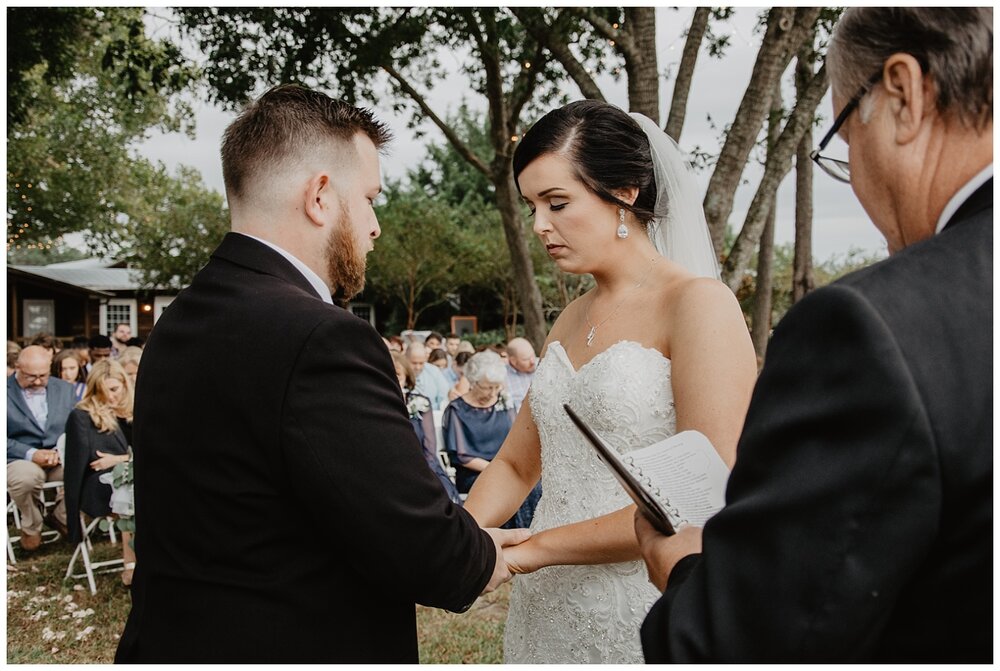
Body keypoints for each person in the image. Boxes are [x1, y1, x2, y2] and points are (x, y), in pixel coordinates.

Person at [115, 84, 525, 664]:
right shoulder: (321, 338)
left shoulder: (181, 318)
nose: (376, 225)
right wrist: (481, 553)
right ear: (321, 196)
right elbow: (421, 550)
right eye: (370, 198)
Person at [636, 8, 992, 663]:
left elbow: (733, 646)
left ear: (904, 94)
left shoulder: (873, 329)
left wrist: (685, 570)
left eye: (845, 141)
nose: (853, 176)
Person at [462, 100, 757, 663]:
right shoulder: (570, 317)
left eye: (557, 203)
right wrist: (457, 537)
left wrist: (530, 552)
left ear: (624, 189)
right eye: (531, 207)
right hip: (545, 605)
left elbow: (699, 498)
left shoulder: (698, 306)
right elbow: (517, 464)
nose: (540, 226)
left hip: (638, 601)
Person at [443, 351, 542, 529]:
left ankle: (532, 534)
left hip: (506, 466)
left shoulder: (504, 401)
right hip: (475, 471)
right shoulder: (456, 410)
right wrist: (497, 469)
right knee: (505, 488)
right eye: (488, 387)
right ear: (473, 382)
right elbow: (461, 455)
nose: (493, 393)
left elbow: (516, 438)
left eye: (497, 387)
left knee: (533, 485)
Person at [63, 360, 135, 585]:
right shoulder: (82, 416)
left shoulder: (138, 409)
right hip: (99, 485)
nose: (110, 397)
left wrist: (121, 459)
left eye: (114, 389)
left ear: (125, 383)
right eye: (103, 391)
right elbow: (76, 469)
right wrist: (73, 520)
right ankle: (131, 566)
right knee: (128, 490)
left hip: (137, 474)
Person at [6, 345, 75, 549]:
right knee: (27, 478)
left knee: (86, 470)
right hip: (18, 456)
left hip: (57, 456)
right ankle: (31, 525)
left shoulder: (65, 389)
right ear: (17, 367)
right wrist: (32, 453)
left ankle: (60, 516)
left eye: (42, 375)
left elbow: (75, 425)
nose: (37, 381)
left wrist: (59, 450)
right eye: (31, 376)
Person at [391, 351, 462, 505]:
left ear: (407, 377)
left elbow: (429, 449)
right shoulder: (377, 406)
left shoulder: (420, 403)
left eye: (398, 374)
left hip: (424, 467)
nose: (394, 379)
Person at [406, 341, 450, 410]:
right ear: (406, 359)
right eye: (414, 363)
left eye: (421, 363)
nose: (418, 367)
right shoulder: (400, 373)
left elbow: (444, 396)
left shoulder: (434, 371)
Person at [504, 337, 537, 413]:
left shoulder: (542, 366)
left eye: (533, 355)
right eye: (526, 359)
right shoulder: (503, 377)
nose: (532, 361)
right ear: (513, 361)